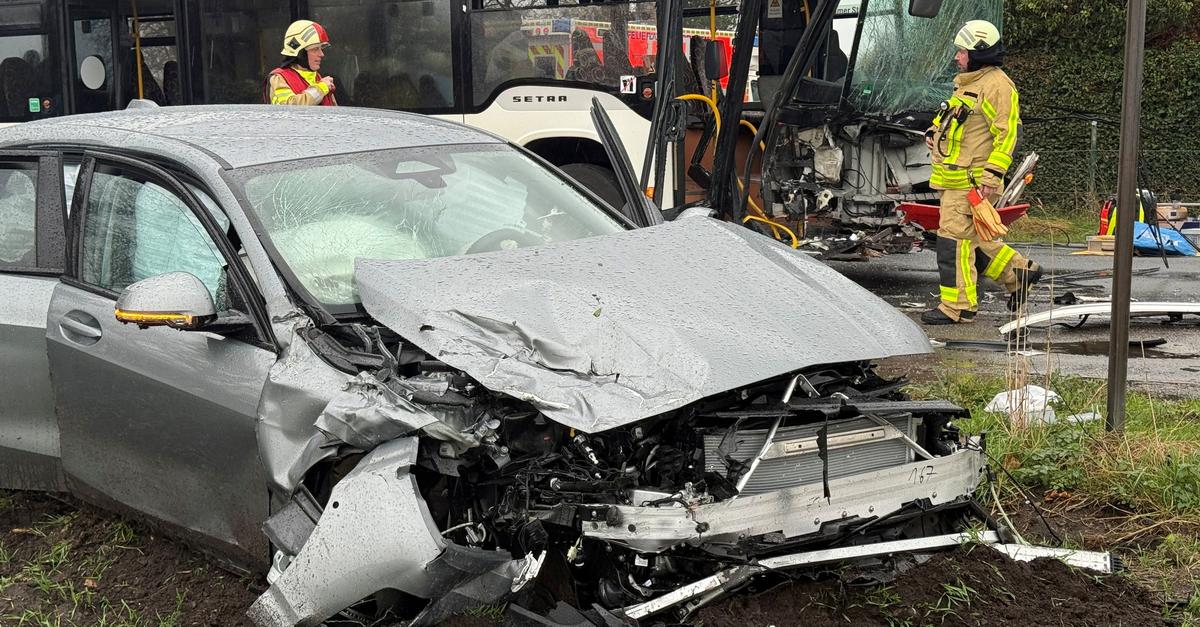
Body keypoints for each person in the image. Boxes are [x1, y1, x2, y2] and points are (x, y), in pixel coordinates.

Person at [922, 19, 1041, 325]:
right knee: (975, 243)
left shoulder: (997, 85)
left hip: (973, 182)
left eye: (962, 51)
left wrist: (992, 176)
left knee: (953, 243)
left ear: (978, 53)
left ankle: (958, 307)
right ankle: (1019, 273)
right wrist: (934, 131)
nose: (957, 57)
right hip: (957, 180)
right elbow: (957, 121)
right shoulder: (968, 83)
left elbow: (1007, 135)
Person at [264, 20, 337, 106]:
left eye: (321, 48)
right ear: (299, 53)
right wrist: (321, 88)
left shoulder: (318, 79)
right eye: (315, 49)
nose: (321, 54)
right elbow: (289, 108)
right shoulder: (279, 78)